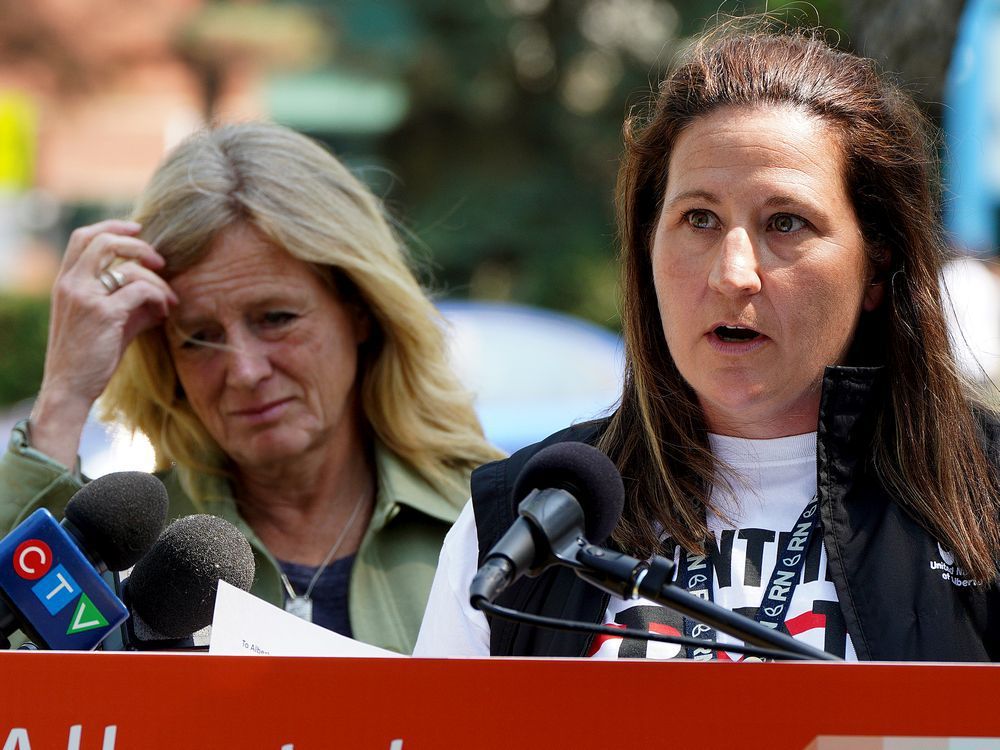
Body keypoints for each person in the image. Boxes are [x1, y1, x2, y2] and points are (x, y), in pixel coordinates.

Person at [415, 24, 1000, 662]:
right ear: (647, 245)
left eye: (786, 223)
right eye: (699, 219)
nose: (732, 273)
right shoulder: (522, 522)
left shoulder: (986, 497)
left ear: (876, 266)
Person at [0, 122, 501, 653]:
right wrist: (63, 397)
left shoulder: (493, 529)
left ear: (361, 311)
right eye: (199, 337)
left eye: (276, 318)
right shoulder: (127, 562)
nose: (244, 370)